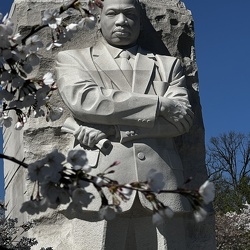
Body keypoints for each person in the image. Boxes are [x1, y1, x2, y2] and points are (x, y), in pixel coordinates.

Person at [56, 0, 194, 248]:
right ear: (99, 21)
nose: (121, 21)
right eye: (112, 13)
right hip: (98, 180)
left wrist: (115, 129)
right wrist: (159, 105)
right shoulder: (73, 60)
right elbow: (87, 101)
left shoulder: (168, 66)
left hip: (162, 182)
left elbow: (181, 121)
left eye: (130, 15)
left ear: (141, 24)